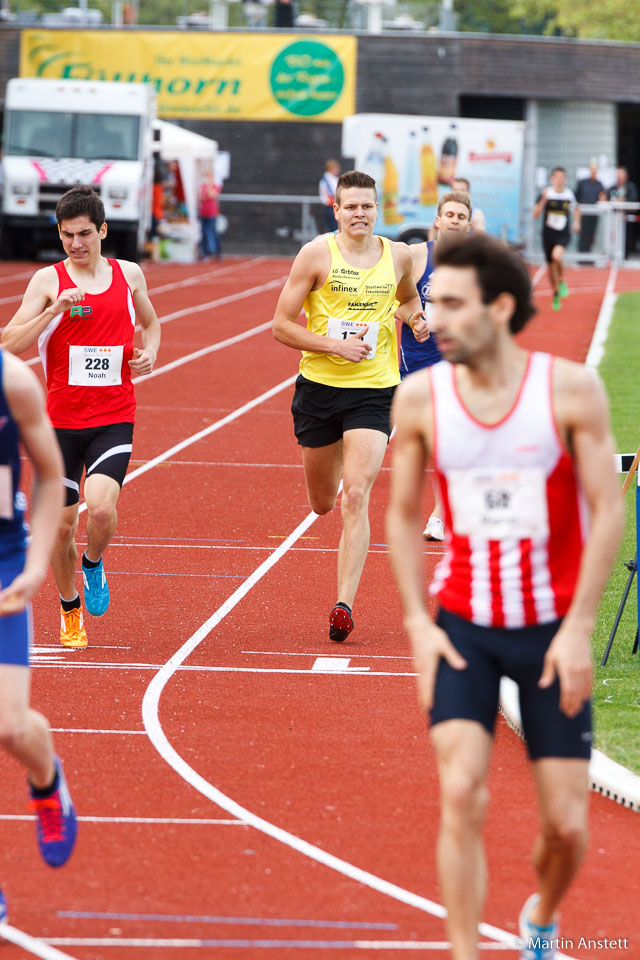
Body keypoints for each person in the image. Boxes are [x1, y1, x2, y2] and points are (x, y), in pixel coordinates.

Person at [386, 232, 624, 960]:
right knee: (461, 791)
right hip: (464, 623)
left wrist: (580, 626)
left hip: (549, 629)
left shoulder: (568, 389)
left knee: (567, 829)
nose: (435, 318)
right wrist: (420, 626)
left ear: (499, 307)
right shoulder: (421, 396)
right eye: (432, 302)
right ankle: (463, 950)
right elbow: (400, 514)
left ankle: (542, 919)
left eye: (453, 305)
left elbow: (607, 506)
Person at [1, 185, 161, 649]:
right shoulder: (47, 282)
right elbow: (9, 344)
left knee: (103, 507)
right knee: (62, 525)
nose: (76, 243)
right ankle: (70, 610)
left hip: (114, 415)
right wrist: (52, 312)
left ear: (103, 231)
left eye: (85, 234)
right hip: (59, 424)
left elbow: (150, 324)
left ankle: (93, 562)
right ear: (60, 233)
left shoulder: (129, 275)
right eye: (68, 235)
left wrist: (150, 353)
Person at [272, 169, 425, 643]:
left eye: (367, 206)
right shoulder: (317, 254)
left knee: (355, 495)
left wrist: (416, 318)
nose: (360, 213)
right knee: (323, 502)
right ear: (335, 210)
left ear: (377, 209)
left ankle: (344, 605)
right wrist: (333, 347)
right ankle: (333, 473)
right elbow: (281, 325)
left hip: (375, 391)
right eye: (351, 206)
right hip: (319, 389)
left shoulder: (397, 256)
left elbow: (405, 299)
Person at [0, 348, 78, 923]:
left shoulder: (12, 382)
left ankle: (45, 772)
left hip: (3, 565)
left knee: (8, 726)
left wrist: (32, 566)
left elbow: (51, 475)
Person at [400, 191, 472, 542]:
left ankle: (438, 516)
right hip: (413, 359)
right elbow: (393, 302)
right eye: (450, 215)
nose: (455, 220)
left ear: (468, 224)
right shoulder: (416, 256)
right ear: (438, 220)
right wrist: (414, 317)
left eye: (461, 216)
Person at [533, 167, 580, 312]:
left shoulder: (569, 195)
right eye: (557, 177)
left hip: (563, 234)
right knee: (550, 266)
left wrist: (576, 222)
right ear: (551, 179)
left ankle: (561, 280)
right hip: (548, 235)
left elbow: (577, 209)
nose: (560, 180)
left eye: (562, 177)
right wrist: (543, 200)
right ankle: (555, 293)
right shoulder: (546, 193)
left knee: (556, 256)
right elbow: (535, 214)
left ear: (565, 179)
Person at [574, 159, 606, 255]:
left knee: (591, 236)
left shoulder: (599, 184)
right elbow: (577, 197)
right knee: (583, 235)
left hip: (594, 214)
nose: (594, 171)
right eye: (592, 169)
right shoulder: (582, 183)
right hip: (583, 214)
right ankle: (581, 256)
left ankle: (588, 256)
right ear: (589, 169)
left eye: (595, 169)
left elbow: (602, 198)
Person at [608, 166, 639, 260]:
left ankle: (625, 256)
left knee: (627, 239)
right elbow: (607, 198)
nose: (620, 176)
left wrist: (624, 201)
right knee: (613, 239)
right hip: (613, 220)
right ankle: (612, 257)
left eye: (622, 174)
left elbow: (634, 199)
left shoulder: (631, 187)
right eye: (618, 174)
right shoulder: (612, 187)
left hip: (626, 219)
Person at [198, 169, 222, 261]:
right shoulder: (202, 187)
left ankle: (217, 252)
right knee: (204, 233)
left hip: (212, 213)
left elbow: (212, 195)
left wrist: (208, 188)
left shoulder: (215, 186)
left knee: (212, 232)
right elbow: (201, 198)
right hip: (203, 212)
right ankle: (205, 252)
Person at [318, 160, 341, 234]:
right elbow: (333, 193)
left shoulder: (329, 179)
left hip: (331, 207)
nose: (337, 171)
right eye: (336, 169)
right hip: (330, 207)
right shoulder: (328, 180)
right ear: (331, 168)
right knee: (334, 229)